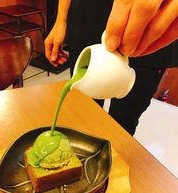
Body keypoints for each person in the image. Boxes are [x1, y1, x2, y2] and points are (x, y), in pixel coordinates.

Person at [44, 0, 178, 135]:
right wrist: (61, 21)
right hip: (85, 22)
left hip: (147, 33)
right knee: (83, 114)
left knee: (123, 123)